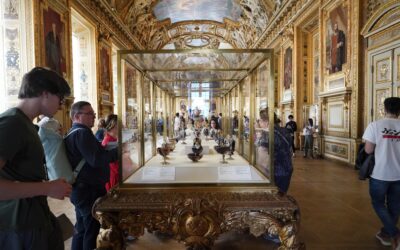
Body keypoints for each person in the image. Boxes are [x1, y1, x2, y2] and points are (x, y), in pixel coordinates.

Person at [0, 67, 72, 249]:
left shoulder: (24, 123)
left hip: (31, 221)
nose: (61, 105)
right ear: (45, 94)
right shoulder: (12, 124)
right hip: (19, 227)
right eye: (60, 98)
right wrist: (47, 187)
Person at [64, 101, 118, 250]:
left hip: (81, 189)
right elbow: (97, 159)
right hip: (87, 190)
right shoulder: (82, 133)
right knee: (91, 230)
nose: (93, 117)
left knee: (82, 228)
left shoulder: (76, 132)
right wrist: (118, 151)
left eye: (93, 114)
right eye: (90, 114)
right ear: (77, 116)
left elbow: (92, 154)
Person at [362, 97, 400, 248]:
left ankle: (395, 234)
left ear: (384, 109)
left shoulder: (375, 125)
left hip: (380, 174)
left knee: (378, 203)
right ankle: (385, 233)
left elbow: (368, 150)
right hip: (399, 175)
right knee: (395, 206)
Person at [257, 108, 293, 194]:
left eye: (260, 121)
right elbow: (290, 150)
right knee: (281, 196)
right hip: (287, 169)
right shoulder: (284, 131)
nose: (259, 123)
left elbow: (262, 160)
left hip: (275, 172)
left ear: (266, 122)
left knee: (272, 199)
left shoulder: (267, 135)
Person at [101, 114, 119, 191]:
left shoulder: (114, 139)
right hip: (114, 176)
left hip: (118, 174)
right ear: (113, 125)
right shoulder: (108, 141)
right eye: (119, 124)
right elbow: (112, 164)